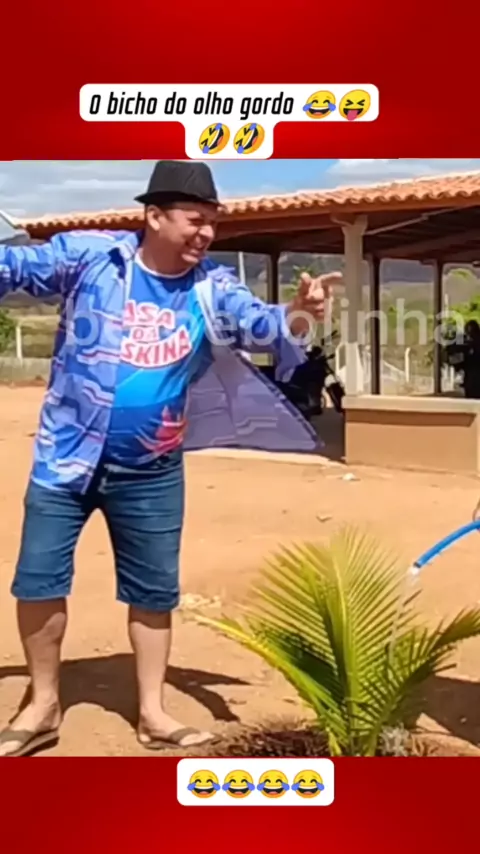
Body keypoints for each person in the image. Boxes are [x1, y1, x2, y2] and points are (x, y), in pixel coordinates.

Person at [0, 160, 341, 757]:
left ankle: (154, 713)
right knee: (39, 581)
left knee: (154, 593)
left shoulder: (212, 288)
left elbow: (265, 328)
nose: (205, 233)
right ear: (155, 217)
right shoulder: (94, 258)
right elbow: (16, 268)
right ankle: (43, 705)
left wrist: (302, 310)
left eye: (211, 222)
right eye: (194, 219)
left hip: (152, 470)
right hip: (66, 458)